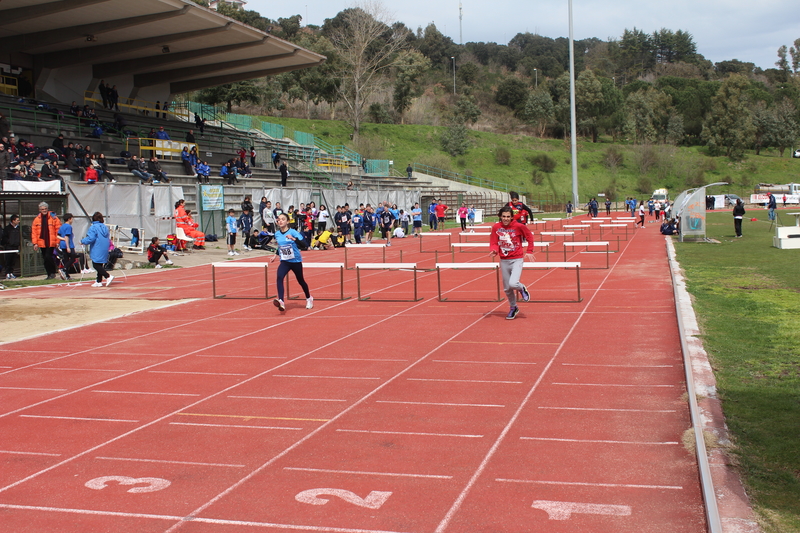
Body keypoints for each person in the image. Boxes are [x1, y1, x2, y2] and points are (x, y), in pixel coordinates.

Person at [490, 206, 534, 320]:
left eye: (508, 217)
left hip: (517, 259)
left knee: (513, 283)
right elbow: (494, 242)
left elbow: (529, 236)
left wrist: (529, 250)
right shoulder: (496, 227)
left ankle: (521, 288)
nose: (505, 219)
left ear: (512, 217)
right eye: (503, 216)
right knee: (507, 288)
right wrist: (494, 250)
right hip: (504, 260)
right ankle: (513, 307)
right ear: (500, 216)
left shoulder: (519, 226)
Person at [271, 212, 313, 312]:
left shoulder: (293, 232)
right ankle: (281, 300)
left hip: (295, 261)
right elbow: (280, 246)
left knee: (301, 281)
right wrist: (275, 255)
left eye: (283, 219)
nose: (280, 221)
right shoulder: (277, 234)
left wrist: (294, 239)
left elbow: (304, 245)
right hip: (285, 261)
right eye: (279, 219)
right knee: (279, 277)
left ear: (288, 221)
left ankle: (309, 298)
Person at [81, 212, 114, 287]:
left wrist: (83, 241)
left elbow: (91, 238)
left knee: (95, 264)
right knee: (100, 264)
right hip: (105, 247)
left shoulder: (93, 227)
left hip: (97, 246)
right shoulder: (104, 227)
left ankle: (107, 276)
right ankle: (99, 281)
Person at [32, 202, 62, 280]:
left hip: (51, 241)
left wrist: (57, 241)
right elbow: (34, 232)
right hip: (41, 241)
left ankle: (52, 272)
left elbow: (58, 230)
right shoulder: (36, 219)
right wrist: (35, 243)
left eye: (45, 209)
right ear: (39, 210)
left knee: (48, 256)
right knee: (45, 258)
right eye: (42, 209)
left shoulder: (54, 218)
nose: (44, 210)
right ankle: (49, 273)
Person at [56, 213, 78, 280]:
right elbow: (67, 236)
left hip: (62, 244)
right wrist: (68, 246)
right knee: (73, 258)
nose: (72, 220)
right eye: (72, 219)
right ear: (69, 219)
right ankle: (64, 269)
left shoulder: (62, 226)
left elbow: (57, 235)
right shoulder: (69, 226)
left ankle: (67, 275)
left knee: (66, 259)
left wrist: (63, 239)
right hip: (69, 244)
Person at [2, 214, 21, 278]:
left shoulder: (18, 228)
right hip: (9, 247)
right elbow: (4, 237)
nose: (19, 221)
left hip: (15, 247)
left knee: (13, 260)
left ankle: (11, 272)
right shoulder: (7, 228)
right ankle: (7, 273)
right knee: (8, 260)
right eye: (17, 220)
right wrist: (9, 242)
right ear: (13, 221)